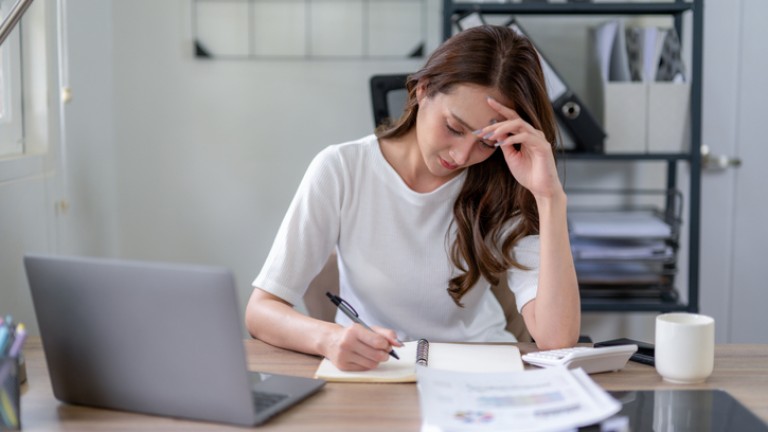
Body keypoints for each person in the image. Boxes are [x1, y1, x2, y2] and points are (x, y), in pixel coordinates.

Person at [245, 25, 580, 371]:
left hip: (480, 370)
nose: (462, 155)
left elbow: (557, 341)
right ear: (423, 90)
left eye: (487, 141)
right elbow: (261, 310)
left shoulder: (504, 182)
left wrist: (549, 196)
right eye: (454, 127)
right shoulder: (341, 169)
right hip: (376, 370)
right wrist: (327, 338)